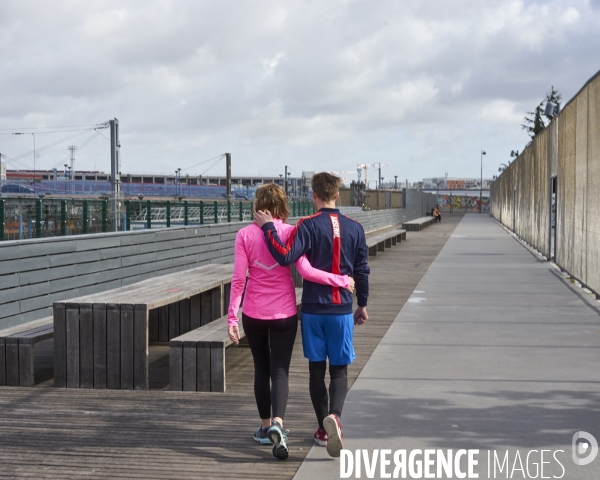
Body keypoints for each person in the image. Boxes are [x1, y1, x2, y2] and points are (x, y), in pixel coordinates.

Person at [227, 183, 354, 461]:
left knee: (261, 369)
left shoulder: (244, 235)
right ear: (283, 205)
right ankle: (279, 424)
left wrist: (231, 316)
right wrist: (341, 280)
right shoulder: (290, 232)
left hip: (253, 313)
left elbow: (238, 280)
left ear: (258, 205)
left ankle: (264, 428)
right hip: (284, 313)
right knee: (280, 371)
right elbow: (306, 271)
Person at [255, 172, 370, 458]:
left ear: (313, 196)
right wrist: (362, 303)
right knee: (339, 370)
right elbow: (362, 271)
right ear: (338, 195)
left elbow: (284, 255)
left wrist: (269, 227)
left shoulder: (306, 225)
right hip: (341, 309)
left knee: (316, 370)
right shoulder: (355, 228)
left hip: (313, 310)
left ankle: (322, 427)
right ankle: (334, 418)